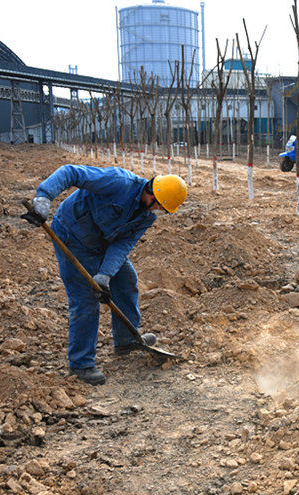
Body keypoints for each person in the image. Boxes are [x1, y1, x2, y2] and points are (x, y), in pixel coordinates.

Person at [22, 165, 188, 385]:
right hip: (72, 236)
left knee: (126, 280)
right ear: (152, 192)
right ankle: (81, 364)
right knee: (85, 299)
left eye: (161, 209)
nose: (156, 210)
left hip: (103, 243)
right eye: (157, 204)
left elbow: (123, 244)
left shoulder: (147, 216)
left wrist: (105, 274)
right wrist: (44, 198)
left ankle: (126, 340)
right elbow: (71, 172)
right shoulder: (118, 181)